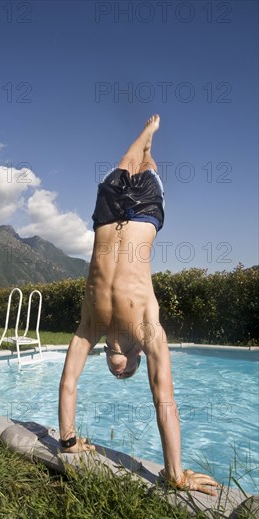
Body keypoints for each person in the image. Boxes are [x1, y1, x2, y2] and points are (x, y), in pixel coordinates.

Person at [58, 115, 219, 496]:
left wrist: (68, 442)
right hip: (132, 215)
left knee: (127, 166)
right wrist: (175, 475)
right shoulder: (129, 329)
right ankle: (148, 145)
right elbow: (161, 398)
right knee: (141, 167)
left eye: (117, 374)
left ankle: (147, 138)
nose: (118, 371)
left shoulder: (99, 327)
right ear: (134, 360)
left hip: (113, 217)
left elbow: (70, 383)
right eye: (124, 374)